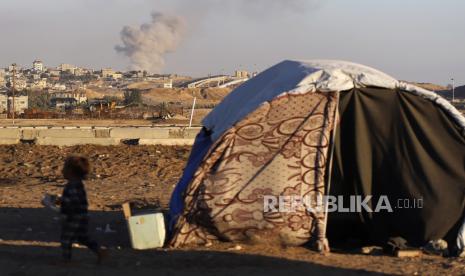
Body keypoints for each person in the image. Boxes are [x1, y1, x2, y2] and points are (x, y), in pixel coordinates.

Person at [60, 155, 106, 263]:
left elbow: (72, 203)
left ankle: (66, 261)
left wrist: (65, 214)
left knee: (66, 239)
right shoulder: (78, 184)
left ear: (71, 171)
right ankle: (99, 251)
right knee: (82, 237)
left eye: (64, 168)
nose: (62, 171)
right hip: (83, 216)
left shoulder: (71, 186)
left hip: (73, 217)